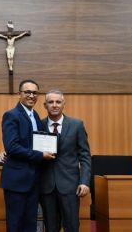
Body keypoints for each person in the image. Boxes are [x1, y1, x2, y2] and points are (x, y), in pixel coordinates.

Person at [1, 79, 55, 232]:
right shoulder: (11, 115)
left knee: (30, 224)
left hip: (33, 181)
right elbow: (11, 147)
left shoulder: (36, 116)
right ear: (19, 94)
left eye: (35, 93)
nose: (31, 95)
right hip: (17, 182)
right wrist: (40, 155)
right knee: (15, 224)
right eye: (27, 92)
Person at [40, 90, 91, 232]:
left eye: (58, 102)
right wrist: (6, 152)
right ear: (45, 105)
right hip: (46, 186)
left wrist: (85, 181)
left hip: (70, 186)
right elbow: (26, 147)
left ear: (64, 104)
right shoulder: (39, 125)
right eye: (50, 102)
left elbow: (85, 156)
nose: (54, 105)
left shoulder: (77, 125)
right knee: (50, 227)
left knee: (72, 226)